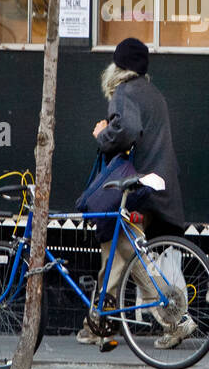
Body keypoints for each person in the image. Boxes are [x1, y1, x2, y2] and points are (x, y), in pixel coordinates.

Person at [77, 37, 193, 350]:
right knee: (117, 252)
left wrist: (103, 135)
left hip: (137, 189)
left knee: (125, 249)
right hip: (157, 185)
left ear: (118, 68)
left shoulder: (124, 93)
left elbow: (126, 130)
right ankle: (97, 324)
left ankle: (175, 319)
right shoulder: (153, 93)